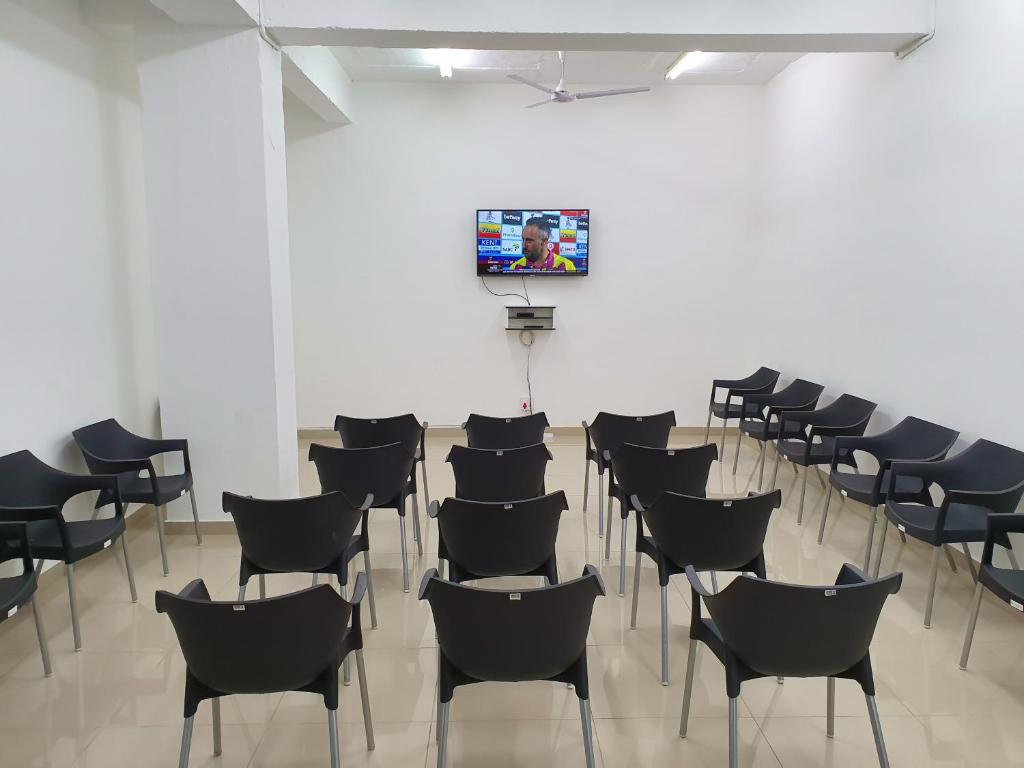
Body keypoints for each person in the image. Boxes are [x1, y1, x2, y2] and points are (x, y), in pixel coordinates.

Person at [509, 217, 576, 272]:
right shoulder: (516, 267)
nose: (524, 245)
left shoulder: (566, 266)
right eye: (523, 239)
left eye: (529, 241)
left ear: (544, 241)